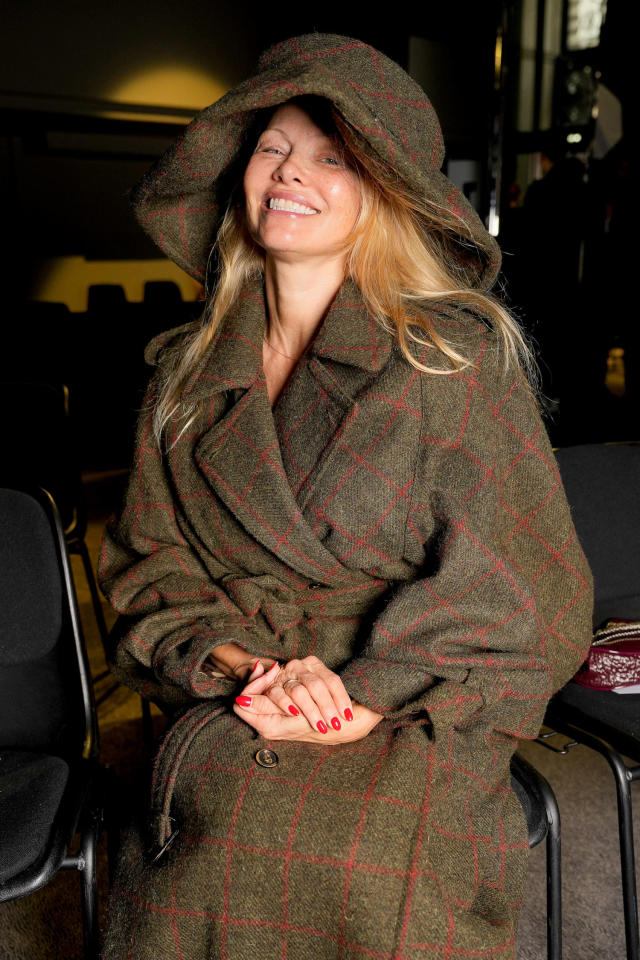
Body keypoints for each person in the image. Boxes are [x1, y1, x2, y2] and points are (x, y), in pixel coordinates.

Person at [98, 33, 593, 960]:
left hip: (414, 693)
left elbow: (525, 587)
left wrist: (358, 697)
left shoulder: (453, 357)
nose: (291, 173)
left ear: (385, 195)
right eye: (274, 146)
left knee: (346, 858)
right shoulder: (182, 376)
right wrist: (249, 669)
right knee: (213, 835)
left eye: (334, 157)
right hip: (243, 679)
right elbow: (144, 571)